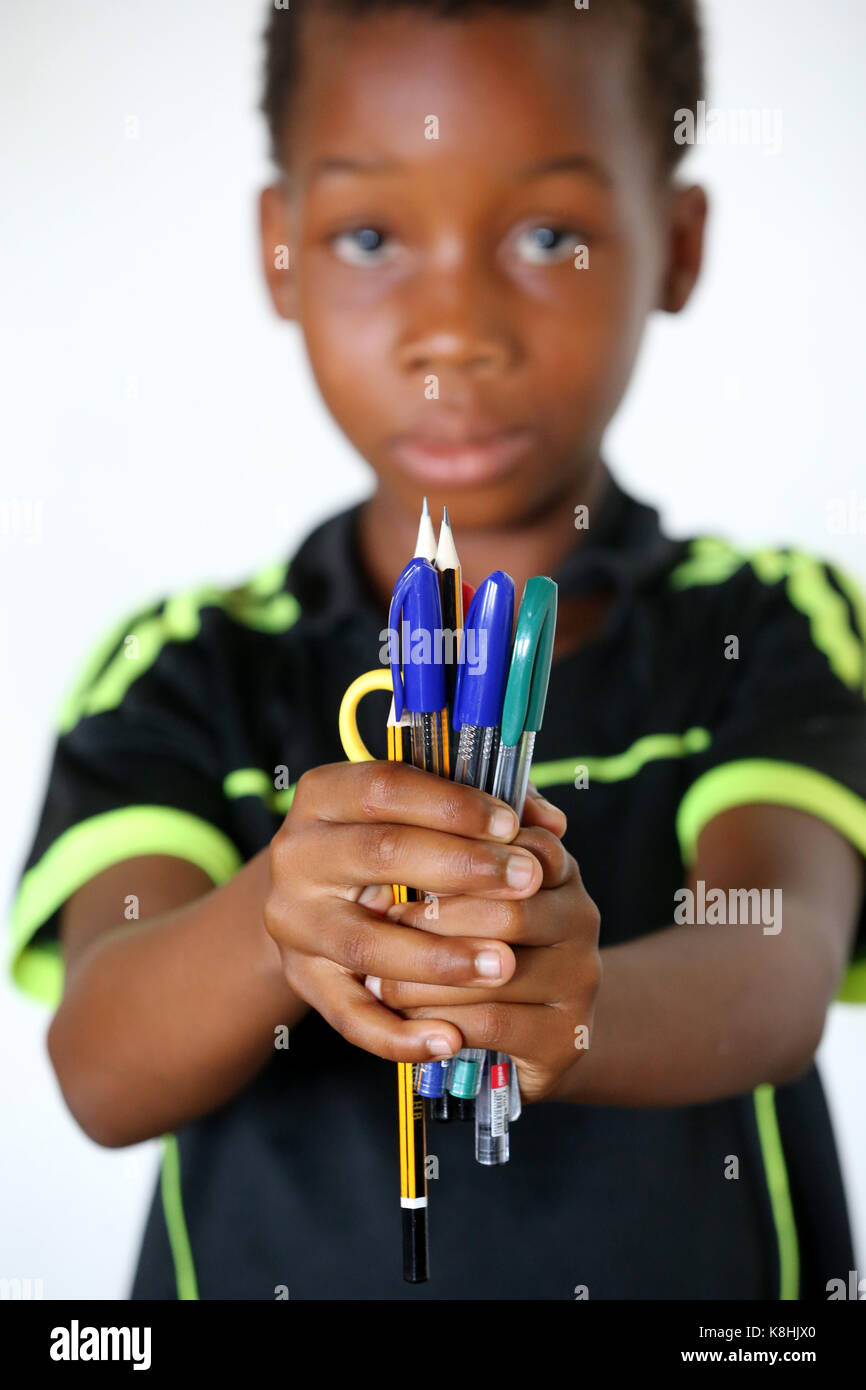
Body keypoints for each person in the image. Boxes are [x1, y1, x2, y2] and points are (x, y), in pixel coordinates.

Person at [10, 0, 866, 1300]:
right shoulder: (187, 665)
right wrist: (273, 926)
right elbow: (103, 1060)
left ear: (678, 246)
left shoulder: (774, 624)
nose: (453, 326)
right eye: (367, 235)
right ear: (279, 250)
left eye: (547, 235)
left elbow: (775, 959)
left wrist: (566, 1000)